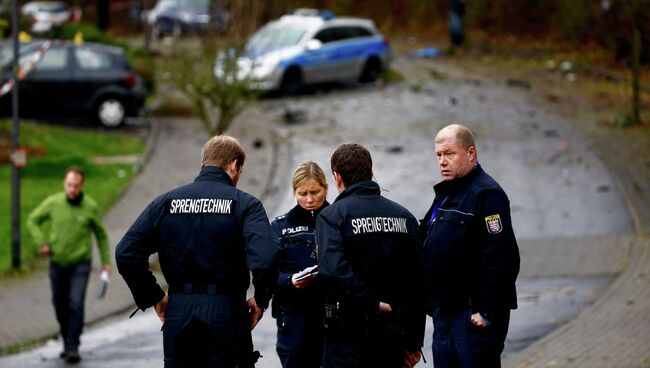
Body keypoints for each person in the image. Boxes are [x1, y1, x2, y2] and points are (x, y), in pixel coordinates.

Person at [115, 135, 279, 368]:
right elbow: (266, 258)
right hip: (226, 311)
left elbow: (126, 253)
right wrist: (261, 298)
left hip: (179, 312)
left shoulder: (167, 203)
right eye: (240, 171)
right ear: (234, 165)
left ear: (205, 162)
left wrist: (154, 296)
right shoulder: (245, 205)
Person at [316, 143, 425, 368]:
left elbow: (334, 270)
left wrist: (370, 302)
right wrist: (414, 342)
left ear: (337, 177)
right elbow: (418, 282)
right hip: (393, 336)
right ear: (371, 172)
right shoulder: (404, 217)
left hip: (347, 337)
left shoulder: (332, 216)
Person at [422, 124, 520, 367]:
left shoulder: (486, 195)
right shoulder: (446, 193)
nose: (442, 162)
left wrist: (486, 313)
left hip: (471, 320)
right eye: (439, 155)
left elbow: (502, 259)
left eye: (450, 154)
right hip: (444, 316)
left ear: (471, 153)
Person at [27, 167, 111, 364]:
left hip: (81, 263)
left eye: (76, 185)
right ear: (64, 184)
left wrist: (106, 261)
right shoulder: (54, 203)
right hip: (57, 261)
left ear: (82, 186)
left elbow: (101, 234)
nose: (72, 189)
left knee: (75, 302)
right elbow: (33, 220)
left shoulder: (90, 206)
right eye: (69, 185)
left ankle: (73, 346)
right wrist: (42, 242)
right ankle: (67, 340)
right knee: (60, 304)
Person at [270, 161, 329, 368]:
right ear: (294, 192)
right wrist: (290, 281)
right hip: (294, 320)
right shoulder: (279, 227)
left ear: (326, 188)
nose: (310, 199)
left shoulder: (338, 220)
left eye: (315, 192)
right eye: (303, 194)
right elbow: (266, 275)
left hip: (333, 319)